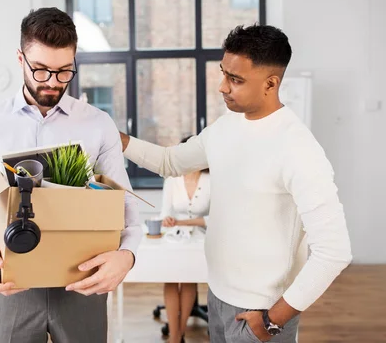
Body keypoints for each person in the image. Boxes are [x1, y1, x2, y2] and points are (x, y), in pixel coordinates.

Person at [120, 25, 352, 343]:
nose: (221, 87)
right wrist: (115, 138)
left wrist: (273, 320)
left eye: (235, 80)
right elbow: (170, 162)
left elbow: (334, 252)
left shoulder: (298, 148)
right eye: (223, 73)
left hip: (262, 312)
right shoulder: (227, 125)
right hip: (217, 295)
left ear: (271, 83)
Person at [0, 7, 142, 343]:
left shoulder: (98, 124)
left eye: (64, 72)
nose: (53, 82)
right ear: (20, 59)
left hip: (82, 280)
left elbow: (123, 203)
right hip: (11, 284)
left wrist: (128, 255)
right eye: (40, 70)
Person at [160, 137, 210, 343]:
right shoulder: (172, 178)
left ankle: (179, 334)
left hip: (200, 240)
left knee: (188, 278)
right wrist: (170, 220)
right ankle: (175, 336)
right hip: (174, 239)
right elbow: (165, 215)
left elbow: (214, 219)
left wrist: (183, 223)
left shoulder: (212, 180)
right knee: (171, 279)